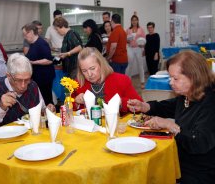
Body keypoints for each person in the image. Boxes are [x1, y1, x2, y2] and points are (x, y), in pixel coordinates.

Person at [127, 51, 215, 183]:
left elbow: (199, 142)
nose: (170, 82)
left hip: (199, 171)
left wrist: (170, 126)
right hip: (180, 160)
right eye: (170, 77)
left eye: (175, 78)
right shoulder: (188, 95)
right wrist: (145, 106)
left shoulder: (210, 102)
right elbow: (169, 106)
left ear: (194, 77)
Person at [0, 53, 56, 136]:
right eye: (18, 80)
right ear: (8, 76)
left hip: (31, 139)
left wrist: (47, 110)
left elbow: (42, 109)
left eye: (27, 79)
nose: (23, 85)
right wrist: (0, 108)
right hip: (4, 143)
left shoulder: (33, 86)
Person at [74, 47, 142, 112]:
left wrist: (122, 103)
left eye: (92, 68)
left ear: (101, 64)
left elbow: (140, 106)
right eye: (84, 71)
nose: (89, 74)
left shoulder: (121, 80)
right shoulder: (78, 83)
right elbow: (67, 109)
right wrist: (76, 102)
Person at [22, 23, 55, 105]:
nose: (24, 37)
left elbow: (49, 60)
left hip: (44, 77)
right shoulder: (33, 44)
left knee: (46, 99)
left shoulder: (41, 43)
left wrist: (33, 62)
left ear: (31, 32)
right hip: (38, 77)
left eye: (25, 34)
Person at [125, 14, 146, 89]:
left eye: (135, 20)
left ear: (137, 21)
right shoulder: (128, 29)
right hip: (130, 48)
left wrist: (143, 47)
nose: (134, 21)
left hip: (138, 48)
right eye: (133, 20)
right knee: (129, 66)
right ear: (131, 21)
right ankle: (128, 82)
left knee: (140, 65)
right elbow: (125, 40)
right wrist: (127, 40)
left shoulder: (141, 29)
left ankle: (142, 82)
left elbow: (144, 39)